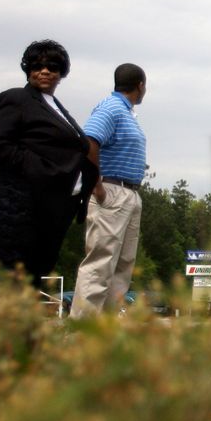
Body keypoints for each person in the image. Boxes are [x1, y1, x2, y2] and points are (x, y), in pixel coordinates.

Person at [0, 40, 98, 287]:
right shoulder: (16, 99)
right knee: (17, 274)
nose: (45, 71)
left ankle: (25, 324)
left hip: (56, 206)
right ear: (28, 69)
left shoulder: (55, 105)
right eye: (38, 66)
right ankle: (11, 323)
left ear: (61, 73)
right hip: (24, 201)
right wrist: (39, 168)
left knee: (36, 274)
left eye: (52, 66)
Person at [70, 64, 148, 318]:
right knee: (101, 262)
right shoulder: (111, 108)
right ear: (140, 85)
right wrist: (96, 185)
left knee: (123, 264)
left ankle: (106, 329)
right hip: (112, 190)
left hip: (129, 192)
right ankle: (81, 328)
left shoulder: (126, 112)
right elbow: (90, 140)